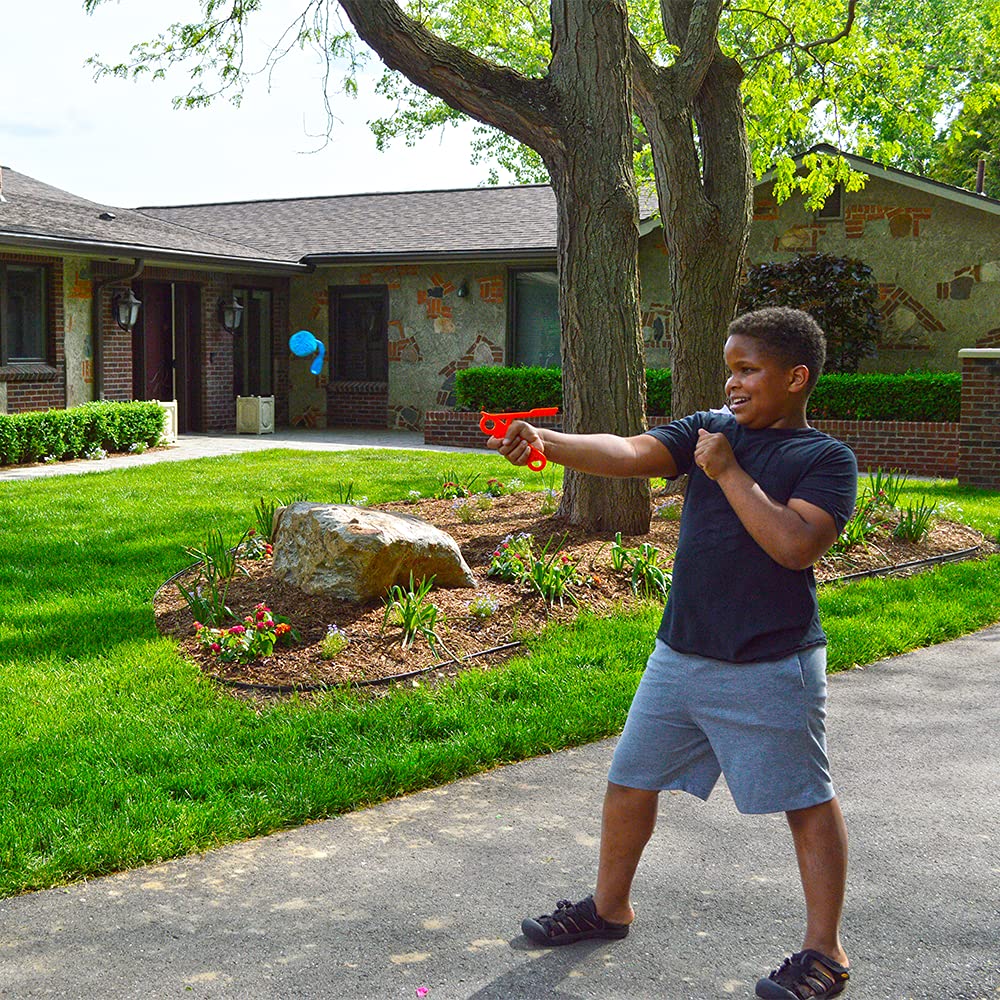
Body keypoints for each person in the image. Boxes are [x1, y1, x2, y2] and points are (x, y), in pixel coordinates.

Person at [487, 306, 858, 999]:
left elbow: (794, 545)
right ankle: (608, 907)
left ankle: (825, 951)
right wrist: (548, 441)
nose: (733, 384)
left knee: (805, 800)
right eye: (730, 370)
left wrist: (727, 474)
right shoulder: (707, 431)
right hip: (681, 654)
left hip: (770, 663)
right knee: (630, 780)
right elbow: (629, 453)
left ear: (796, 377)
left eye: (748, 370)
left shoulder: (823, 459)